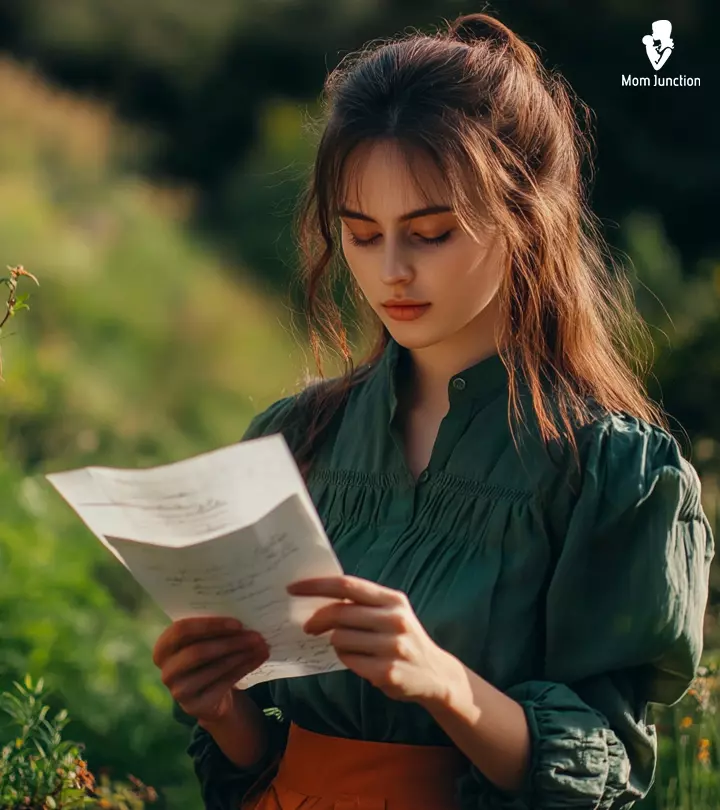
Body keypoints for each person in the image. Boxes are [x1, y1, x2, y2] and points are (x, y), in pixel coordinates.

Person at [152, 11, 715, 810]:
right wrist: (221, 706)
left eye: (432, 233)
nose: (391, 272)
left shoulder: (611, 473)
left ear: (527, 219)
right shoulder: (293, 439)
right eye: (360, 233)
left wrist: (444, 680)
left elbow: (609, 773)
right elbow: (264, 755)